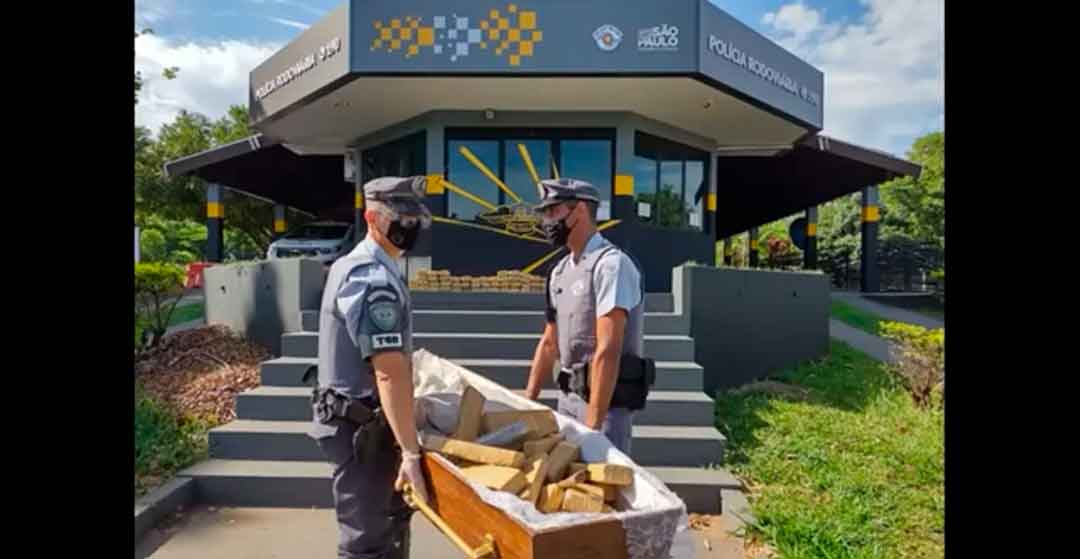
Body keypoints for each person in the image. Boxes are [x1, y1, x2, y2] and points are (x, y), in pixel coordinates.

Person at [308, 175, 432, 559]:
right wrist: (412, 455)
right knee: (369, 544)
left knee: (389, 531)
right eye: (399, 219)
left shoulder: (374, 267)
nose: (408, 228)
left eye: (414, 221)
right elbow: (387, 370)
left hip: (371, 426)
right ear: (371, 218)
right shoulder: (369, 277)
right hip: (362, 433)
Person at [524, 177, 651, 454]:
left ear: (579, 210)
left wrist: (594, 427)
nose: (546, 220)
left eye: (552, 211)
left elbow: (608, 348)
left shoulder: (611, 266)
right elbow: (549, 343)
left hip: (604, 408)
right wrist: (528, 401)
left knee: (603, 490)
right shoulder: (559, 272)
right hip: (567, 401)